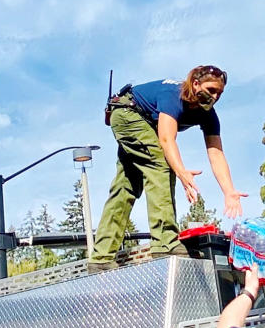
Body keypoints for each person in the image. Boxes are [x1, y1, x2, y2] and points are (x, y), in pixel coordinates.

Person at [89, 65, 247, 271]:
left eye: (219, 93)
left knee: (127, 185)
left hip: (143, 122)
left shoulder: (208, 115)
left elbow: (216, 152)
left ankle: (101, 257)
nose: (215, 97)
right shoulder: (174, 95)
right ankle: (165, 242)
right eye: (211, 90)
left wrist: (229, 191)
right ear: (195, 84)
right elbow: (166, 139)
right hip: (128, 113)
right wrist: (181, 173)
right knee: (161, 164)